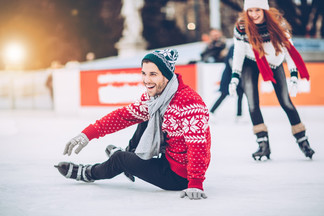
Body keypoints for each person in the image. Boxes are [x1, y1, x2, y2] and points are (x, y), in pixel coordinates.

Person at [55, 49, 211, 200]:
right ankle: (131, 154)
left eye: (153, 74)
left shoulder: (189, 103)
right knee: (145, 117)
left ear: (167, 76)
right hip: (168, 155)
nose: (147, 80)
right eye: (144, 73)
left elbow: (198, 146)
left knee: (119, 158)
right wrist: (88, 134)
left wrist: (195, 183)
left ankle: (89, 172)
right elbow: (123, 116)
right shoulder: (156, 99)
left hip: (179, 175)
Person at [228, 0, 315, 160]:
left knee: (286, 102)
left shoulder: (277, 23)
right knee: (252, 104)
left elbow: (289, 51)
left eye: (257, 11)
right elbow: (239, 52)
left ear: (264, 10)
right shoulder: (242, 26)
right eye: (250, 11)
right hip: (250, 61)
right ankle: (263, 144)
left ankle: (303, 141)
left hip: (274, 63)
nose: (253, 15)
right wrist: (235, 77)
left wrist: (294, 77)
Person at [210, 45, 244, 121]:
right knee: (224, 94)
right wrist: (237, 72)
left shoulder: (238, 46)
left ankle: (239, 115)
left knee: (240, 93)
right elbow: (231, 61)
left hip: (235, 76)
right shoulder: (234, 47)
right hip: (229, 76)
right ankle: (211, 112)